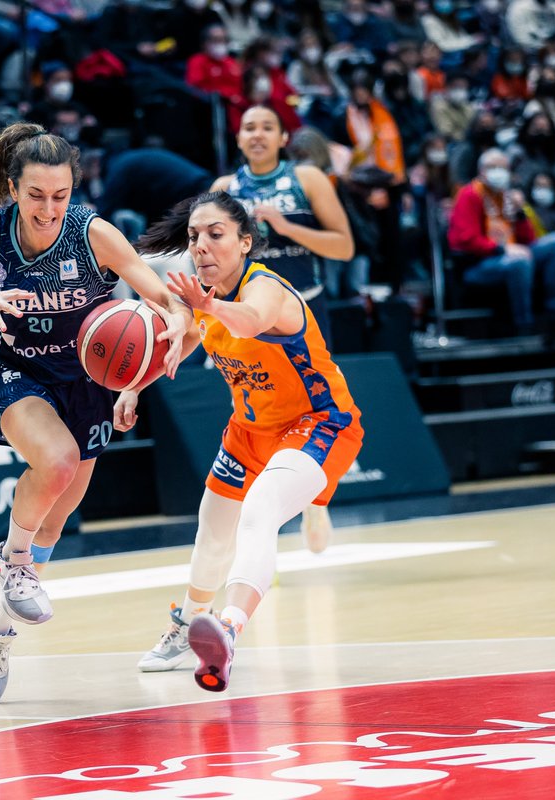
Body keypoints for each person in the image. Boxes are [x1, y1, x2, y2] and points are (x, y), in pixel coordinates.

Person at [0, 122, 191, 705]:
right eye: (36, 195)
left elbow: (165, 299)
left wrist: (168, 332)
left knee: (56, 520)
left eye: (60, 195)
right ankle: (10, 559)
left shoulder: (94, 233)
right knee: (55, 462)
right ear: (13, 188)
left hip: (88, 380)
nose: (49, 208)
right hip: (17, 373)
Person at [126, 191, 364, 688]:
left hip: (317, 422)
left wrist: (206, 306)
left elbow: (251, 321)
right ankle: (191, 625)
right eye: (194, 238)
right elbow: (185, 337)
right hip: (248, 430)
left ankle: (229, 631)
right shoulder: (201, 295)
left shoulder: (267, 288)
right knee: (211, 534)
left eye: (216, 235)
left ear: (245, 242)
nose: (202, 247)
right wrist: (133, 388)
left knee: (259, 514)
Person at [212, 106, 355, 553]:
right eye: (249, 127)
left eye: (267, 127)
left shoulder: (307, 179)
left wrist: (286, 227)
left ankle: (314, 498)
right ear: (238, 138)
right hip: (245, 319)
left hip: (301, 315)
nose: (257, 134)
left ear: (281, 137)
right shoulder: (223, 190)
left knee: (309, 409)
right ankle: (258, 533)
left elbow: (345, 246)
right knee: (253, 413)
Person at [447, 148, 555, 334]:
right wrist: (501, 250)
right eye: (492, 167)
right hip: (478, 264)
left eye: (502, 167)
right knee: (518, 262)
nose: (498, 172)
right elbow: (465, 240)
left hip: (510, 254)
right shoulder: (469, 194)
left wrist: (520, 214)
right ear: (481, 171)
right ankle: (524, 325)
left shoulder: (507, 196)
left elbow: (529, 239)